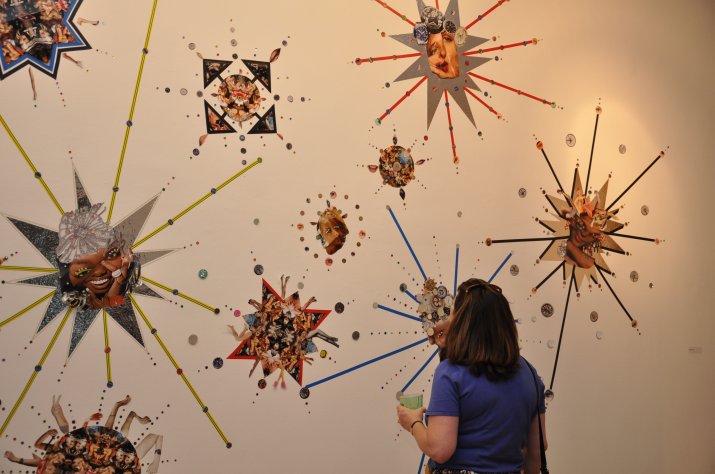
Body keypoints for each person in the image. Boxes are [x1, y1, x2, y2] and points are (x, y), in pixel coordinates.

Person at [397, 278, 547, 474]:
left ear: (463, 322)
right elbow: (537, 449)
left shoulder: (450, 372)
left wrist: (413, 422)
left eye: (452, 314)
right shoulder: (529, 373)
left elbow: (439, 449)